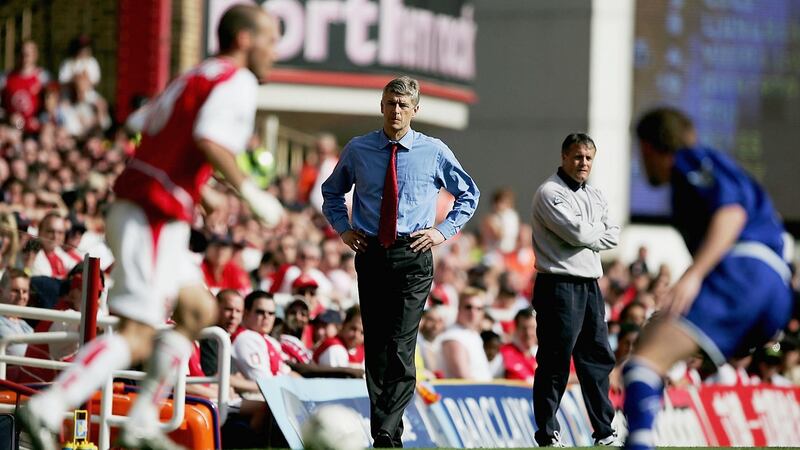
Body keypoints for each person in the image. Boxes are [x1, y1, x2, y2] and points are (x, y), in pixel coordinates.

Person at [19, 5, 283, 450]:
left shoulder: (197, 74)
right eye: (271, 41)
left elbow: (148, 128)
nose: (275, 53)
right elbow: (209, 139)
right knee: (137, 335)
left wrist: (203, 190)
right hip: (153, 211)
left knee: (198, 311)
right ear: (244, 39)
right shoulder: (235, 82)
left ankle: (142, 419)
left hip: (152, 204)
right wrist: (250, 192)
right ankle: (48, 406)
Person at [321, 75, 480, 447]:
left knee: (400, 344)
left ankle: (386, 431)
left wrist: (442, 232)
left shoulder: (434, 150)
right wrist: (343, 229)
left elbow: (468, 195)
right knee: (376, 345)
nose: (396, 110)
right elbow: (332, 192)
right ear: (381, 105)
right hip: (372, 252)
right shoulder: (359, 149)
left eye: (403, 105)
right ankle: (386, 431)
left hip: (414, 254)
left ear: (415, 110)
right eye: (390, 103)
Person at [622, 108, 793, 450]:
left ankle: (638, 443)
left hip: (745, 275)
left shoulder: (689, 161)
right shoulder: (720, 167)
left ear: (648, 146)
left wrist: (694, 275)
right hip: (774, 289)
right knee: (658, 343)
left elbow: (731, 212)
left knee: (643, 362)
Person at [530, 133, 619, 447]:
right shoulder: (550, 193)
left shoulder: (595, 194)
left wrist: (589, 235)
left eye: (589, 158)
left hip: (590, 284)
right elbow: (578, 232)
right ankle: (547, 431)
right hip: (559, 283)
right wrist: (594, 234)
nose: (583, 163)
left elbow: (614, 233)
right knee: (556, 359)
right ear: (564, 157)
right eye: (578, 157)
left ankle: (604, 431)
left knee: (596, 359)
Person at [436, 288, 493, 381]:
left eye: (479, 308)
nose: (473, 312)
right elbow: (463, 378)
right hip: (467, 393)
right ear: (459, 308)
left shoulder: (472, 334)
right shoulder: (453, 337)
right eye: (468, 307)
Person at [498, 308, 538, 384]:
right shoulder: (505, 353)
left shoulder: (539, 355)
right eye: (524, 328)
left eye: (532, 328)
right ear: (515, 329)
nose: (528, 333)